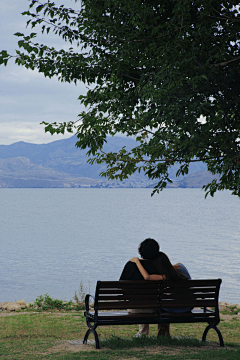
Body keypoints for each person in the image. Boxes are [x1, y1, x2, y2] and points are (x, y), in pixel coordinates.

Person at [130, 252, 192, 337]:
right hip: (189, 305)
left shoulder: (166, 276)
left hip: (176, 308)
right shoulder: (181, 267)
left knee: (159, 305)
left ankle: (161, 334)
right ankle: (163, 334)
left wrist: (137, 261)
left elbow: (147, 277)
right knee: (164, 303)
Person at [119, 238, 161, 337]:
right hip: (153, 308)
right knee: (148, 297)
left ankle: (143, 333)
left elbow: (121, 287)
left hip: (134, 308)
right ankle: (161, 334)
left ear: (140, 251)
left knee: (140, 297)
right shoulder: (158, 266)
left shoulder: (131, 265)